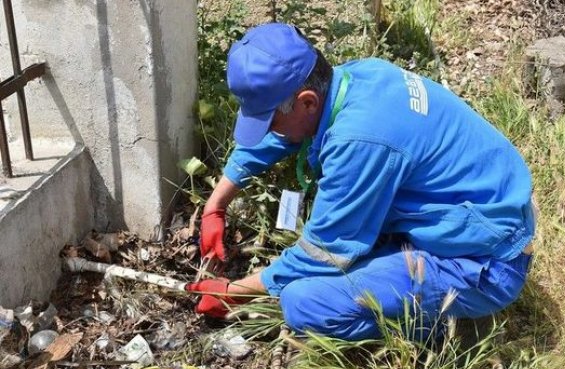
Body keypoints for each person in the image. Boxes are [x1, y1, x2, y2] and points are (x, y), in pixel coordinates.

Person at [187, 23, 535, 341]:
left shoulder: (360, 142)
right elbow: (281, 136)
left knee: (302, 303)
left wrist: (235, 291)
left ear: (307, 102)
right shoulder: (357, 77)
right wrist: (215, 206)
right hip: (485, 209)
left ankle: (446, 329)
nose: (270, 131)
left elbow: (324, 253)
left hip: (485, 264)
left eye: (269, 121)